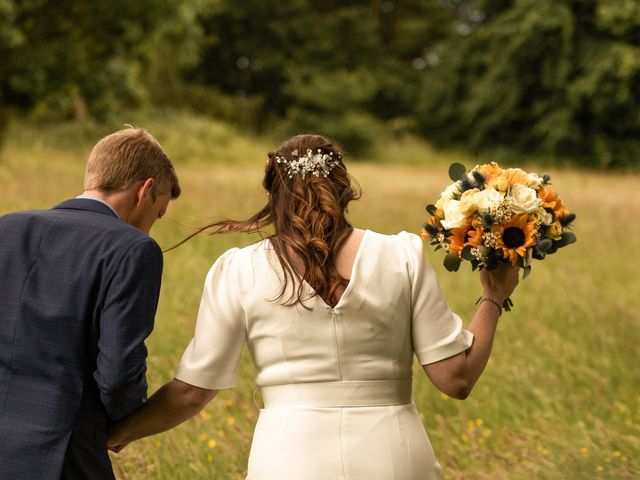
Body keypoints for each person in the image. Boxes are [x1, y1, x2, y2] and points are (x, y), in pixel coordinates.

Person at [107, 134, 519, 479]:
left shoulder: (239, 269)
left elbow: (190, 394)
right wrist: (493, 296)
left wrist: (117, 431)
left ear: (274, 194)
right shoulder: (401, 255)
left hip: (289, 458)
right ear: (343, 190)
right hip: (393, 455)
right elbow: (456, 379)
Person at [0, 127, 181, 480]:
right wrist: (125, 423)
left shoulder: (7, 229)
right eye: (157, 215)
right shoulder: (132, 249)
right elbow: (117, 375)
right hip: (65, 456)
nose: (150, 230)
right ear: (145, 191)